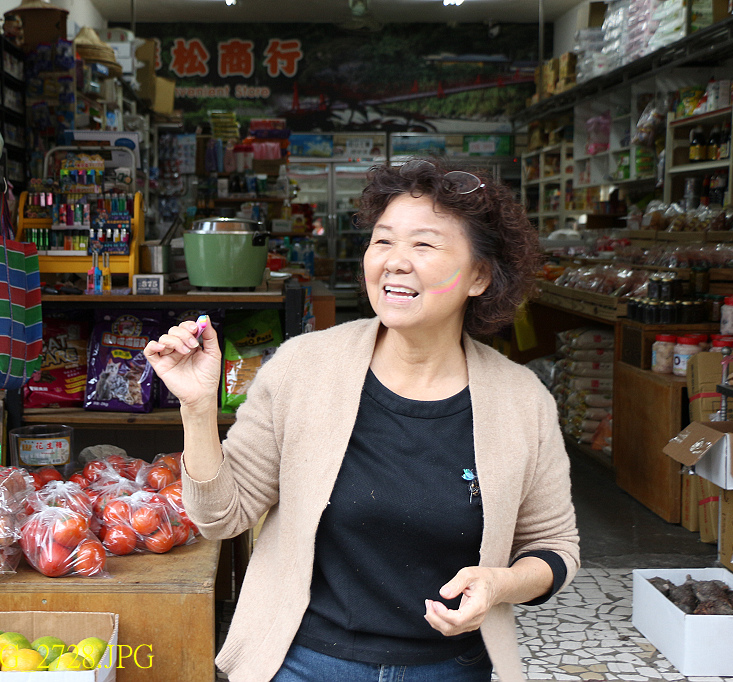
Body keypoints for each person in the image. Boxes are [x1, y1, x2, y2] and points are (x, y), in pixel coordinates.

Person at [144, 159, 580, 682]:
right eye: (383, 241)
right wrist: (197, 409)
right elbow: (222, 517)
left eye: (424, 245)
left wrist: (499, 585)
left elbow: (554, 548)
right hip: (304, 662)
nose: (396, 262)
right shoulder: (302, 369)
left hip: (451, 668)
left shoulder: (521, 400)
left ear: (480, 276)